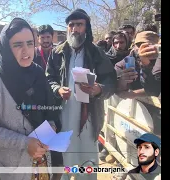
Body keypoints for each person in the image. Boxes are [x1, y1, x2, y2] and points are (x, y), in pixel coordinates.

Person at [0, 18, 61, 180]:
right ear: (6, 47)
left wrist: (51, 127)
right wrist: (24, 143)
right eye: (18, 45)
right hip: (14, 168)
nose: (26, 50)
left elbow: (50, 110)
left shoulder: (38, 73)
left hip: (43, 163)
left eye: (30, 43)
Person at [46, 9, 117, 180]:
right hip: (63, 115)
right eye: (71, 25)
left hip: (89, 117)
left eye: (79, 24)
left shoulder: (96, 53)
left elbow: (111, 81)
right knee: (63, 160)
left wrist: (99, 89)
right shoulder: (57, 53)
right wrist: (57, 89)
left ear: (87, 27)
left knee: (87, 161)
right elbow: (48, 78)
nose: (75, 29)